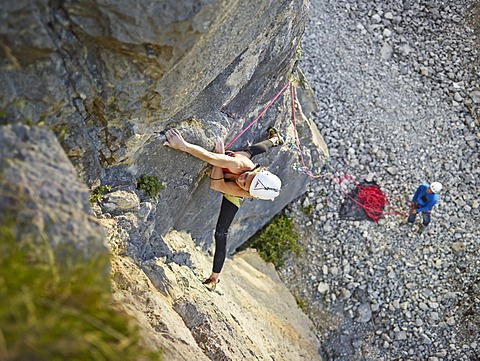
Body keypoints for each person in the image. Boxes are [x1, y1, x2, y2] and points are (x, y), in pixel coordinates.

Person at [164, 127, 282, 290]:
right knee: (248, 152)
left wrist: (218, 160)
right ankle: (274, 140)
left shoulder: (249, 191)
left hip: (233, 185)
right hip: (237, 162)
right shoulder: (237, 164)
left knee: (221, 232)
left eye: (245, 185)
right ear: (255, 170)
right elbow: (210, 157)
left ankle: (214, 278)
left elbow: (217, 184)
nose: (241, 180)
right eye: (246, 177)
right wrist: (184, 146)